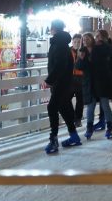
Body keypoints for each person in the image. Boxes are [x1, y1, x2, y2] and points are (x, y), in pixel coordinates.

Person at [44, 19, 80, 154]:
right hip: (63, 82)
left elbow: (59, 65)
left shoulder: (59, 44)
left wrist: (50, 80)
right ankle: (74, 135)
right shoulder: (61, 43)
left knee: (52, 107)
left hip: (61, 82)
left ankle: (53, 139)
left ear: (53, 28)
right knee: (63, 107)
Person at [69, 33, 84, 128]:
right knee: (67, 99)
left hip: (81, 79)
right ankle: (72, 117)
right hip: (70, 78)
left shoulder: (83, 52)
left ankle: (78, 119)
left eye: (79, 42)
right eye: (75, 41)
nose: (77, 43)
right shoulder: (68, 51)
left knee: (80, 100)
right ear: (72, 42)